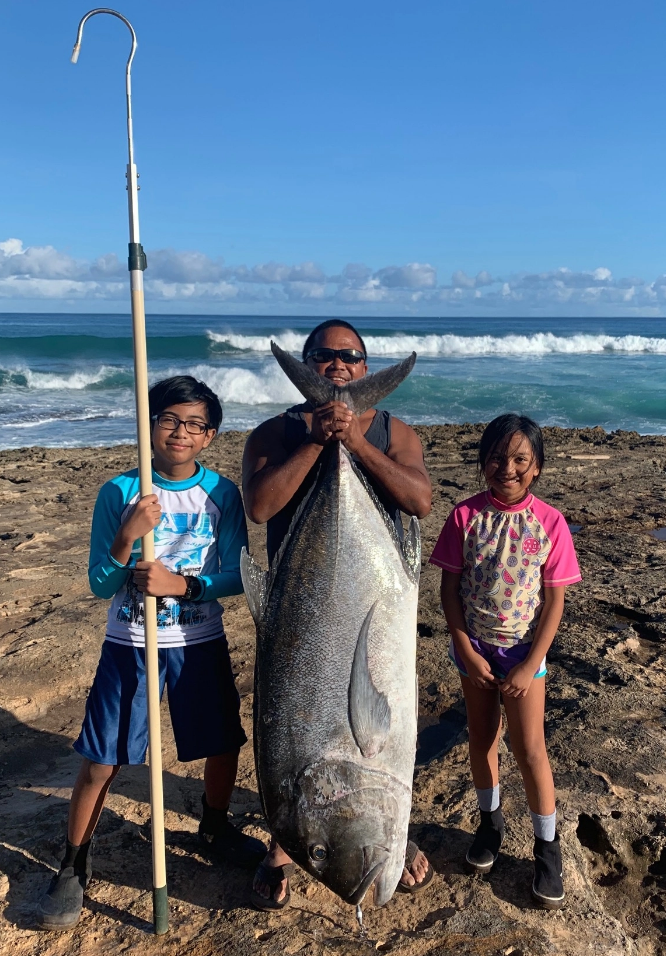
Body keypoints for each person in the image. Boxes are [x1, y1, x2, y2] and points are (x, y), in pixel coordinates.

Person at [38, 375, 265, 930]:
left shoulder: (223, 494)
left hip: (198, 639)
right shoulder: (120, 492)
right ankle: (73, 863)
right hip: (130, 642)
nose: (180, 433)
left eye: (194, 425)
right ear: (150, 424)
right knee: (104, 755)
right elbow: (98, 581)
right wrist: (127, 535)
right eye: (169, 420)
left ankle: (213, 827)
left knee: (220, 741)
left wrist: (181, 586)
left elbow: (234, 576)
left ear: (210, 435)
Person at [242, 319, 433, 910]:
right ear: (307, 363)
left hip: (376, 582)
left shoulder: (394, 431)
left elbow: (419, 501)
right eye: (322, 356)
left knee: (387, 714)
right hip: (301, 600)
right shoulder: (272, 433)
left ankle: (395, 826)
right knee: (298, 719)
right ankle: (284, 845)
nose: (336, 365)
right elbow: (260, 505)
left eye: (349, 356)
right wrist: (317, 440)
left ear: (365, 364)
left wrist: (354, 441)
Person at [430, 414, 581, 909]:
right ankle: (489, 824)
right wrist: (466, 649)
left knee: (530, 749)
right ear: (483, 462)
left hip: (523, 654)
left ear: (536, 467)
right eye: (497, 457)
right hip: (475, 652)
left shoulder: (550, 522)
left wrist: (530, 661)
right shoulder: (464, 517)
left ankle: (547, 847)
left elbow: (554, 601)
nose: (507, 467)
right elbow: (449, 591)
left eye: (520, 459)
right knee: (481, 740)